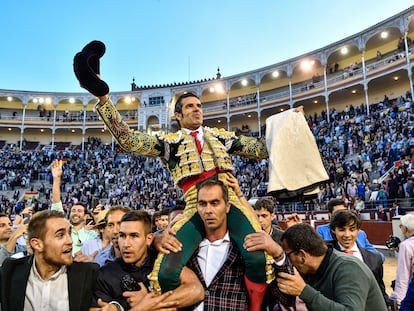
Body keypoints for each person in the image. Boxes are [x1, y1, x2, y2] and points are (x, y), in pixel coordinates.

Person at [73, 40, 288, 310]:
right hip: (194, 207)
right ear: (177, 115)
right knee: (166, 271)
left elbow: (260, 149)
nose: (197, 109)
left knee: (257, 259)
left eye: (199, 106)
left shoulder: (220, 137)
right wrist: (103, 99)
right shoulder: (169, 142)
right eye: (190, 107)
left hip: (230, 200)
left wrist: (288, 121)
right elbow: (128, 140)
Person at [246, 223, 387, 310]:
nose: (288, 260)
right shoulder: (312, 268)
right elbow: (286, 297)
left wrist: (304, 291)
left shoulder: (348, 268)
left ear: (302, 255)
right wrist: (278, 255)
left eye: (288, 255)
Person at [92, 210, 203, 311]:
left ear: (149, 239)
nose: (126, 244)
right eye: (122, 236)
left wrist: (151, 303)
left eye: (134, 236)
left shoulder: (161, 260)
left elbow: (196, 290)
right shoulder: (105, 274)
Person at [0, 210, 99, 311]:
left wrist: (114, 306)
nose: (70, 241)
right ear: (37, 244)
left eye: (69, 233)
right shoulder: (11, 270)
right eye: (60, 235)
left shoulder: (87, 273)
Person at [329, 210, 391, 308]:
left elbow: (380, 290)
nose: (347, 235)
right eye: (341, 230)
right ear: (333, 230)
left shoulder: (374, 259)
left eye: (352, 229)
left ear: (358, 230)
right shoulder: (326, 254)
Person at [50, 160, 97, 255]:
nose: (75, 213)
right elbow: (56, 203)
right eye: (73, 210)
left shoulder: (92, 235)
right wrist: (56, 179)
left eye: (79, 211)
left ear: (85, 216)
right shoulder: (62, 228)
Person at [316, 198, 385, 261]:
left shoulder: (360, 233)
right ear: (330, 215)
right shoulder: (322, 231)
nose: (342, 215)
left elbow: (379, 256)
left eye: (344, 212)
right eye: (338, 213)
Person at [390, 213, 414, 305]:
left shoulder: (406, 245)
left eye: (401, 226)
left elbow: (403, 274)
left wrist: (399, 298)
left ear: (405, 228)